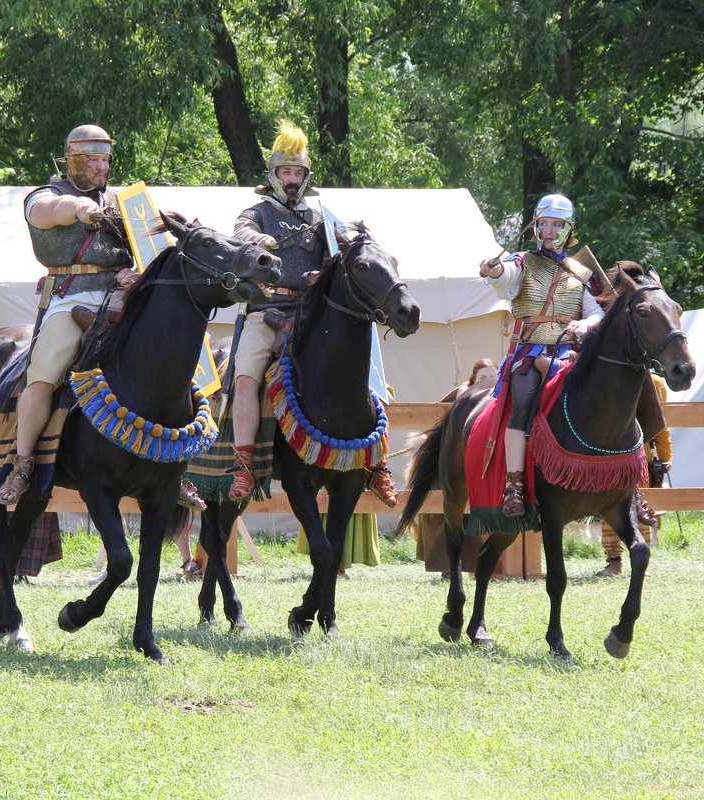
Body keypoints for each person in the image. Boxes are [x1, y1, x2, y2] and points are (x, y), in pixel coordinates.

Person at [0, 124, 204, 514]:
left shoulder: (128, 203)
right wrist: (78, 208)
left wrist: (138, 275)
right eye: (91, 159)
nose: (100, 166)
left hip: (125, 299)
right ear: (71, 159)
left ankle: (173, 468)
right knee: (44, 374)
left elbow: (154, 254)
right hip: (71, 296)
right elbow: (50, 213)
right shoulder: (47, 196)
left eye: (105, 159)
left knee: (177, 368)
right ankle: (21, 465)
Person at [229, 120, 398, 507]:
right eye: (286, 172)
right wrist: (259, 240)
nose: (292, 179)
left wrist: (350, 236)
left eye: (298, 172)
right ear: (273, 175)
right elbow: (239, 236)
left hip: (312, 314)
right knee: (245, 379)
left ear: (306, 177)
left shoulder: (320, 218)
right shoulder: (254, 213)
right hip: (266, 310)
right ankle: (243, 463)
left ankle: (376, 463)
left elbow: (338, 255)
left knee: (364, 370)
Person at [479, 194, 605, 517]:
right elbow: (506, 278)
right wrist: (493, 272)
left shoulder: (582, 273)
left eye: (556, 225)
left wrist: (584, 324)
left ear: (567, 229)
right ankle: (515, 485)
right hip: (530, 352)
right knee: (523, 400)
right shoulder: (523, 261)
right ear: (535, 226)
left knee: (608, 395)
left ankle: (624, 485)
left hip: (568, 354)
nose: (549, 231)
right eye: (543, 223)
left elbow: (597, 315)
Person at [413, 358, 500, 576]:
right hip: (454, 462)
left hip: (482, 462)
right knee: (448, 511)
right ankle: (448, 567)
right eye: (483, 378)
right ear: (473, 380)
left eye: (492, 377)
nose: (488, 382)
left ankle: (473, 564)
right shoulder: (464, 394)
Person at [596, 372, 672, 576]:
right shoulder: (607, 378)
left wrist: (665, 459)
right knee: (608, 509)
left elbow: (660, 425)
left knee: (641, 509)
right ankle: (614, 561)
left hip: (640, 457)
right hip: (609, 455)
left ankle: (641, 561)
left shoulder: (655, 382)